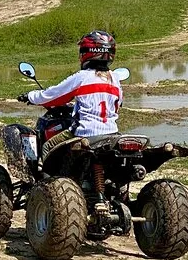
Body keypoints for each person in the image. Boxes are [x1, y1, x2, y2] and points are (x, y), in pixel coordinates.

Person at [18, 30, 123, 162]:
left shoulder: (82, 77)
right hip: (112, 133)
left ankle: (46, 176)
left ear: (87, 53)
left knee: (47, 147)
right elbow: (118, 104)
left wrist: (31, 96)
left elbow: (52, 95)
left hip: (85, 133)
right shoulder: (115, 79)